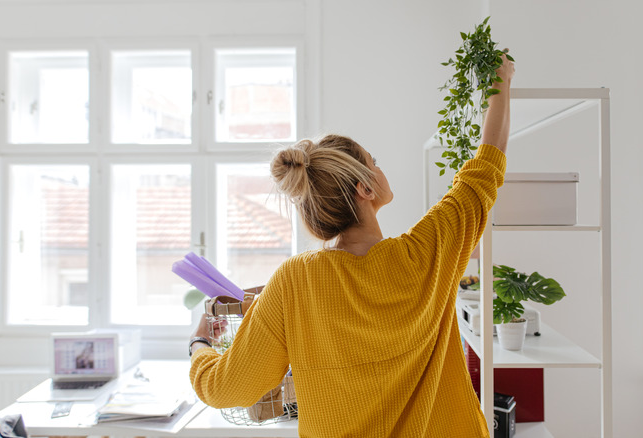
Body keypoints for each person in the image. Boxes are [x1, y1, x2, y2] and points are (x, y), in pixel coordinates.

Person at [189, 57, 514, 437]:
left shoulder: (295, 281)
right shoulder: (428, 252)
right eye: (373, 161)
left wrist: (200, 343)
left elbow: (227, 388)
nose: (380, 166)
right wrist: (501, 81)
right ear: (365, 189)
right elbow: (486, 165)